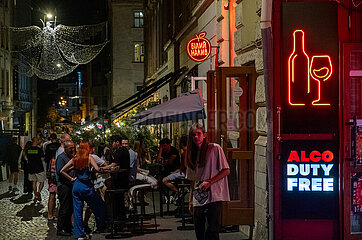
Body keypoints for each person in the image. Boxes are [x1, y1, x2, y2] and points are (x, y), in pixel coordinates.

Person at [186, 123, 230, 240]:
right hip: (199, 195)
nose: (196, 137)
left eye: (199, 134)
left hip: (213, 195)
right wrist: (190, 200)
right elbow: (193, 180)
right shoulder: (192, 154)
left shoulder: (215, 149)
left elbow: (226, 170)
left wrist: (210, 181)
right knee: (199, 228)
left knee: (211, 229)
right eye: (193, 135)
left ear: (204, 135)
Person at [60, 142, 106, 240]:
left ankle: (80, 234)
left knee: (77, 211)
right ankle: (101, 226)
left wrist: (71, 179)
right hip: (86, 185)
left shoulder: (74, 159)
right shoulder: (89, 158)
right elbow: (97, 168)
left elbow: (62, 170)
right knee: (99, 205)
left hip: (76, 185)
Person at [56, 140, 76, 236]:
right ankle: (61, 228)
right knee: (64, 207)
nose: (73, 149)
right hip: (64, 186)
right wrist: (71, 178)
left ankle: (68, 227)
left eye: (73, 147)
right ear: (65, 148)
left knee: (70, 208)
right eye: (70, 148)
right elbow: (60, 171)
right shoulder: (61, 158)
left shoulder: (70, 156)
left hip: (70, 185)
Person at [162, 135, 188, 203]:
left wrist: (176, 172)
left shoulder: (184, 153)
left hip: (184, 173)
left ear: (182, 143)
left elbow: (183, 166)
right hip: (187, 173)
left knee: (164, 180)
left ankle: (177, 192)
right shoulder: (190, 152)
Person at [45, 133, 61, 221]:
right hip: (59, 171)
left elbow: (46, 159)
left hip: (51, 171)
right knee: (61, 194)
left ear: (51, 139)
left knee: (51, 194)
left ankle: (50, 214)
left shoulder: (48, 146)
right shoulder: (59, 146)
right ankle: (59, 214)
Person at [27, 137, 46, 201]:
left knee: (34, 182)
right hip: (39, 168)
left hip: (31, 168)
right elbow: (42, 158)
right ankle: (38, 193)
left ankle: (35, 195)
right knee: (42, 182)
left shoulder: (28, 149)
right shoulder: (39, 149)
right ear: (36, 141)